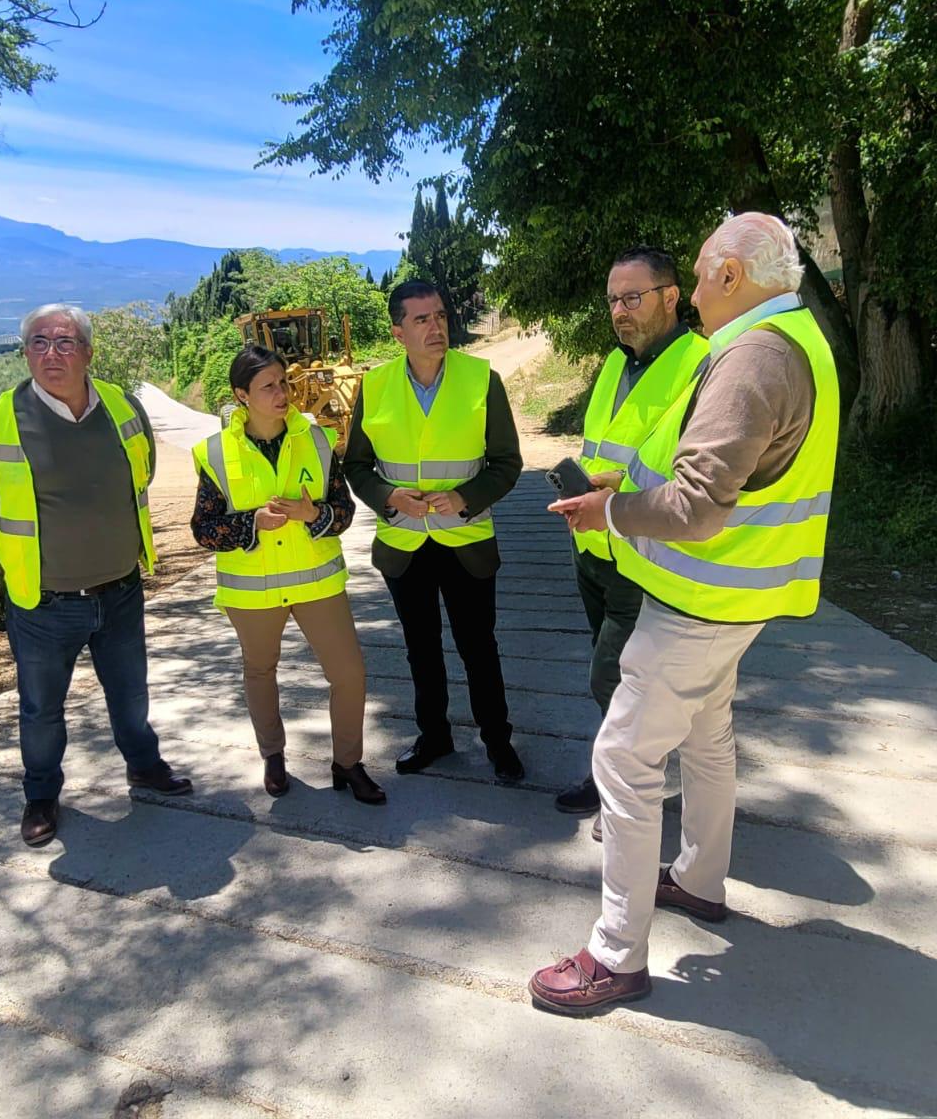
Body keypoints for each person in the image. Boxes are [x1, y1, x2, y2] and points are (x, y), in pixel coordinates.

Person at [529, 214, 841, 1014]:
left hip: (699, 598)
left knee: (623, 758)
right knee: (707, 736)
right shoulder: (796, 339)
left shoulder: (753, 356)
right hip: (737, 594)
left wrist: (610, 510)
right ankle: (700, 880)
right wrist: (623, 493)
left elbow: (699, 504)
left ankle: (616, 956)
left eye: (700, 277)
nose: (696, 295)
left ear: (731, 275)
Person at [0, 303, 191, 849]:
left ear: (87, 352)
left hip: (120, 590)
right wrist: (33, 526)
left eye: (63, 342)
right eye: (38, 342)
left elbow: (143, 470)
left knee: (130, 694)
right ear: (24, 352)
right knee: (41, 709)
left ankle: (144, 766)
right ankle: (40, 796)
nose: (50, 353)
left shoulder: (122, 406)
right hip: (43, 602)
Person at [342, 280, 526, 783]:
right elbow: (356, 466)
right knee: (420, 649)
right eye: (421, 319)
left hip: (466, 541)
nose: (435, 327)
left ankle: (497, 741)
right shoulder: (374, 386)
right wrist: (388, 496)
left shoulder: (482, 379)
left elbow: (507, 463)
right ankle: (434, 736)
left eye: (440, 316)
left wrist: (466, 496)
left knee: (478, 647)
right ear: (398, 332)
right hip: (403, 544)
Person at [189, 345, 385, 804]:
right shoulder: (214, 453)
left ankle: (348, 763)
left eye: (283, 382)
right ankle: (273, 757)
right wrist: (251, 523)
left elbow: (344, 512)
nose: (282, 393)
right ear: (242, 395)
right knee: (260, 672)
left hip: (316, 582)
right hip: (252, 592)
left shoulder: (318, 440)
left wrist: (313, 513)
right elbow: (203, 529)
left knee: (350, 674)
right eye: (268, 387)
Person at [554, 247, 709, 817]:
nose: (620, 310)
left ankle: (625, 792)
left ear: (671, 297)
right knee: (617, 679)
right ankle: (619, 781)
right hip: (593, 547)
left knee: (614, 679)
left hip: (645, 553)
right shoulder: (615, 363)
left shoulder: (702, 364)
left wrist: (618, 487)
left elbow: (700, 472)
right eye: (613, 300)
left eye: (633, 298)